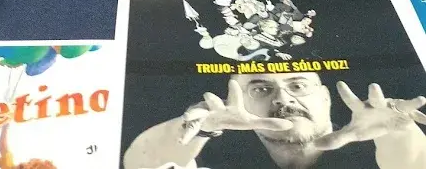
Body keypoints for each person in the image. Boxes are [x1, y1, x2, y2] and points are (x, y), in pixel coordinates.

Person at [123, 73, 426, 169]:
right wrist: (201, 128)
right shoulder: (216, 153)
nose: (283, 99)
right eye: (260, 89)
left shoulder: (372, 146)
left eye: (298, 86)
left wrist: (399, 134)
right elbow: (140, 164)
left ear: (326, 98)